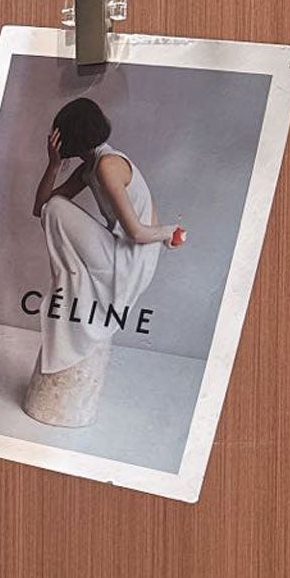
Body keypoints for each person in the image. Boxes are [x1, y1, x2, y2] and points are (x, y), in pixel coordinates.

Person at [30, 96, 186, 376]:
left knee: (56, 208)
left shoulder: (107, 165)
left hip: (131, 259)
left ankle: (74, 279)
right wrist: (53, 165)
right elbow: (39, 208)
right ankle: (73, 277)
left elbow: (136, 232)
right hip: (120, 247)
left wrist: (169, 231)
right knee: (53, 207)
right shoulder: (91, 166)